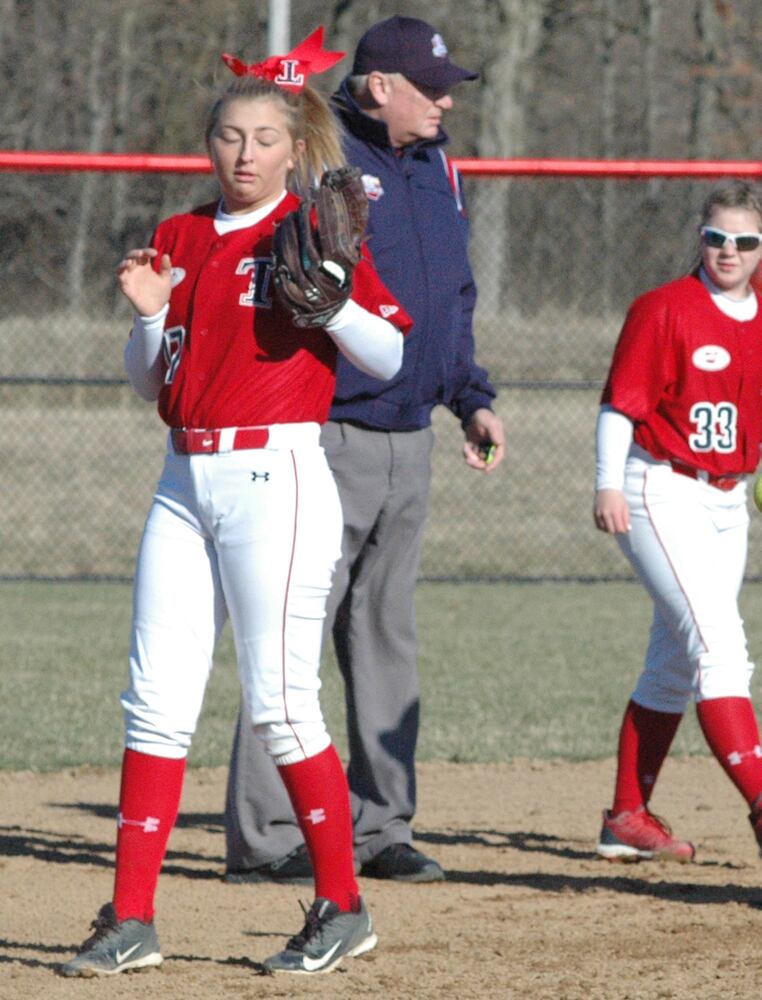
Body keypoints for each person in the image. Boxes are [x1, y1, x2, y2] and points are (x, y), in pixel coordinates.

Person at [60, 31, 411, 977]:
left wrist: (334, 307)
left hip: (278, 475)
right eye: (228, 136)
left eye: (263, 137)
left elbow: (389, 357)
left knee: (283, 705)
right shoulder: (178, 235)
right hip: (183, 478)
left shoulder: (312, 230)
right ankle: (132, 919)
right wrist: (144, 317)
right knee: (154, 703)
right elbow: (150, 383)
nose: (244, 153)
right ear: (208, 144)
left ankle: (343, 904)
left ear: (295, 148)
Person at [224, 15, 503, 886]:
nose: (447, 97)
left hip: (410, 434)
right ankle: (267, 838)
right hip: (325, 430)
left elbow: (453, 295)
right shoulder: (320, 154)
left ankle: (381, 827)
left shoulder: (436, 166)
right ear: (379, 87)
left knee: (387, 635)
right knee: (292, 631)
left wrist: (471, 397)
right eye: (432, 84)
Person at [592, 180, 762, 865]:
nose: (729, 251)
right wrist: (608, 483)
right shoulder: (662, 309)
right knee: (719, 644)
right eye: (716, 237)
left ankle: (627, 818)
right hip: (659, 487)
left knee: (673, 663)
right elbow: (620, 406)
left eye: (744, 241)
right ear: (701, 238)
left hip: (729, 502)